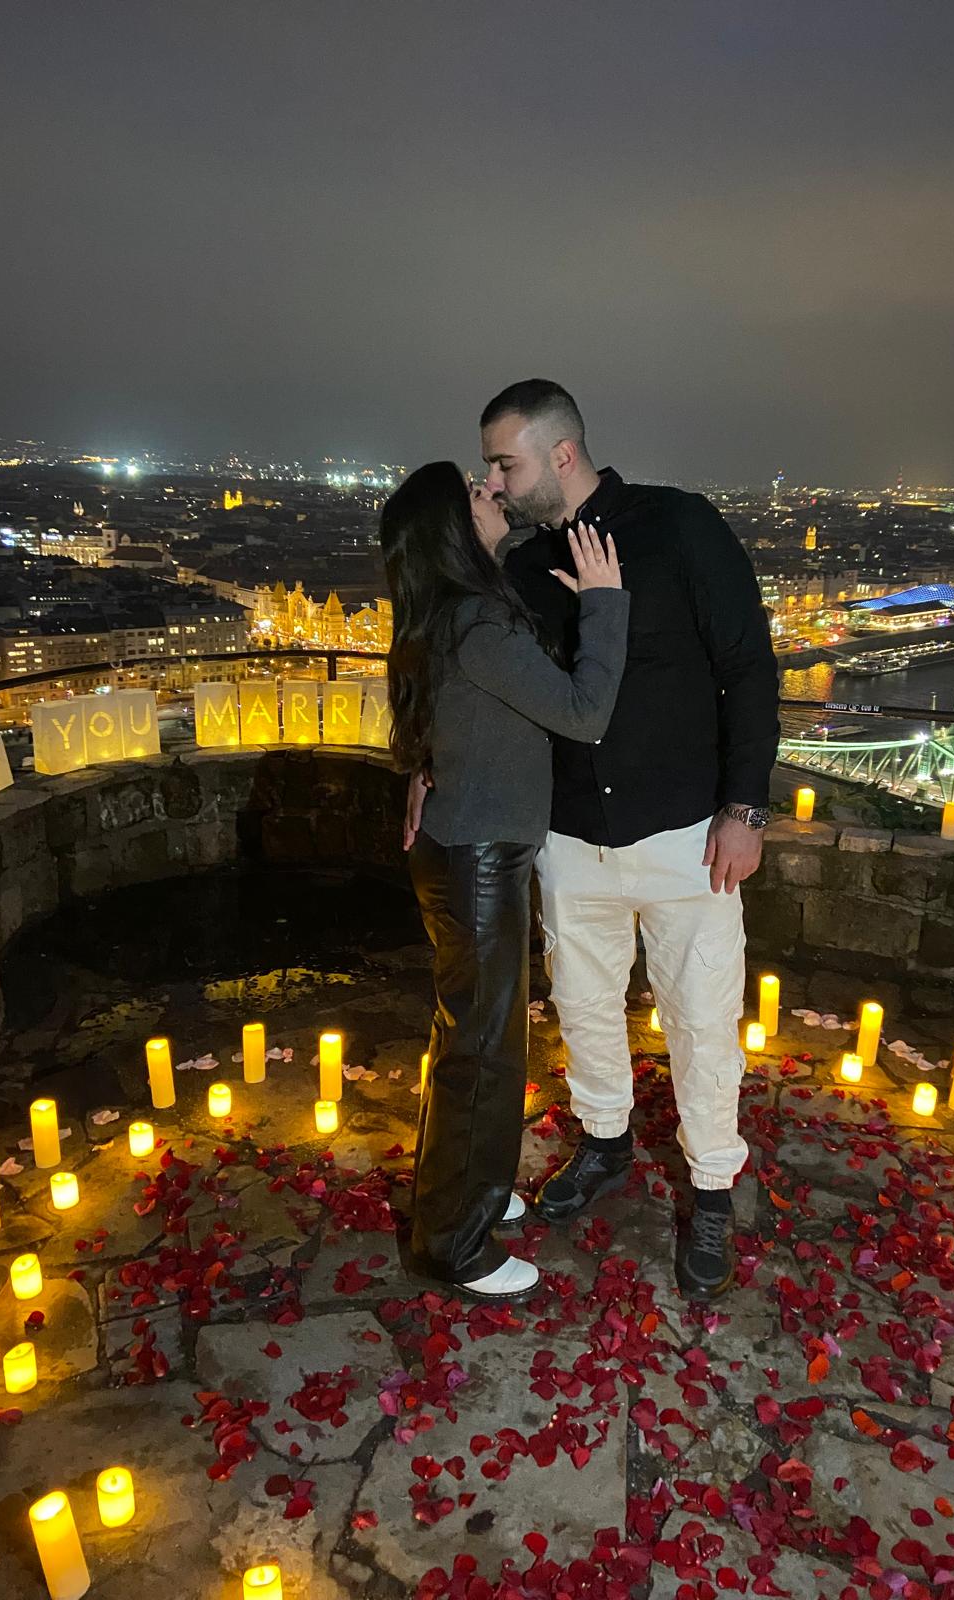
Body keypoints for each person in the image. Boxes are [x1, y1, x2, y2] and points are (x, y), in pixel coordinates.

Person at [409, 381, 779, 1299]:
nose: (494, 481)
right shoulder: (519, 568)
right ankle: (606, 1143)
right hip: (569, 841)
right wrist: (423, 765)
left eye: (505, 462)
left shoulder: (680, 527)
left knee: (701, 1019)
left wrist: (746, 808)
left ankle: (711, 1190)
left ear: (560, 454)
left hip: (688, 833)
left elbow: (749, 666)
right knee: (582, 1006)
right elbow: (464, 675)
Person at [381, 460, 629, 1302]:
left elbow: (429, 719)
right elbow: (584, 713)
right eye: (478, 495)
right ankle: (454, 1240)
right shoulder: (478, 623)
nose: (494, 493)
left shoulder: (443, 616)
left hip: (462, 849)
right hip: (480, 856)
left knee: (469, 1043)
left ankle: (459, 1197)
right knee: (484, 1053)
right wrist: (604, 599)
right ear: (455, 528)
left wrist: (423, 769)